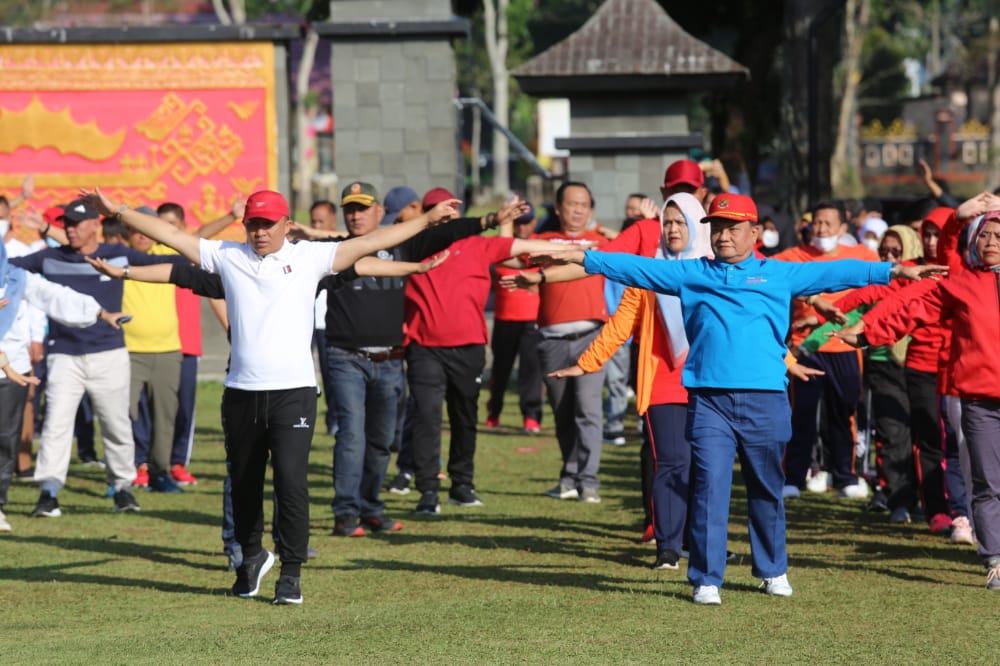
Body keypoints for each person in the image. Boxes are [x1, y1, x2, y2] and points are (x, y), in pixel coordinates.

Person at [537, 192, 942, 605]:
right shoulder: (693, 273)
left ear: (754, 232)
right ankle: (706, 578)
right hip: (709, 401)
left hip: (765, 400)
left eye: (732, 228)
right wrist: (584, 258)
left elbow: (835, 273)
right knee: (709, 488)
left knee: (766, 488)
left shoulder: (778, 273)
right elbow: (635, 267)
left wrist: (895, 271)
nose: (723, 236)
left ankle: (772, 569)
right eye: (716, 228)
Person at [80, 185, 460, 605]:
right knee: (243, 485)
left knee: (291, 484)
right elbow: (171, 237)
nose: (259, 232)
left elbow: (372, 242)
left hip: (293, 394)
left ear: (285, 224)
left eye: (267, 224)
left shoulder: (310, 257)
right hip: (241, 393)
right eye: (253, 224)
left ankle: (291, 573)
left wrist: (427, 220)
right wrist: (118, 210)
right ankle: (252, 557)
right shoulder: (228, 256)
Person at [834, 199, 1000, 590]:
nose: (992, 242)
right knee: (988, 483)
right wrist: (868, 335)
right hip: (979, 402)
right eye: (986, 235)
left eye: (999, 236)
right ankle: (995, 558)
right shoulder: (963, 284)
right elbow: (913, 310)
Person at [549, 192, 712, 569]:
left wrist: (784, 360)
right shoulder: (648, 272)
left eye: (680, 222)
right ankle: (668, 547)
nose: (672, 229)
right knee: (671, 461)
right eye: (667, 223)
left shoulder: (715, 271)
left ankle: (701, 542)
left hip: (709, 380)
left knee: (706, 465)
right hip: (662, 382)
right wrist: (587, 363)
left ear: (696, 225)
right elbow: (620, 325)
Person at [10, 199, 187, 517]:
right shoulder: (48, 258)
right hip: (64, 355)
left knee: (116, 423)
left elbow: (170, 262)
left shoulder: (118, 255)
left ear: (95, 224)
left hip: (109, 354)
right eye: (66, 223)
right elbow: (8, 268)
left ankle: (122, 488)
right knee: (56, 425)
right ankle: (49, 492)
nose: (70, 229)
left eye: (77, 223)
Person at [405, 197, 569, 515]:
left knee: (464, 418)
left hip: (469, 347)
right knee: (426, 418)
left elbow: (522, 247)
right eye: (435, 211)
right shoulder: (414, 245)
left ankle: (462, 485)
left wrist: (581, 253)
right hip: (424, 348)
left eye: (449, 212)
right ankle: (427, 491)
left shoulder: (478, 245)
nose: (443, 218)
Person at [1, 241, 124, 531]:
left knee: (4, 440)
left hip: (12, 370)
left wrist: (99, 312)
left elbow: (55, 295)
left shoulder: (16, 277)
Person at [775, 201, 880, 499]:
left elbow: (881, 283)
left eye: (827, 224)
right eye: (816, 223)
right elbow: (761, 266)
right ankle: (793, 478)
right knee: (801, 414)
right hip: (805, 349)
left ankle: (845, 476)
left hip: (845, 346)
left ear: (842, 228)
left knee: (844, 413)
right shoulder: (793, 257)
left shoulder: (861, 256)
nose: (820, 229)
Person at [485, 201, 543, 433]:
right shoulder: (501, 245)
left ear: (534, 222)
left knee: (531, 371)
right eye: (518, 223)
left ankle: (531, 415)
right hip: (505, 318)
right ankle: (494, 410)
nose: (522, 227)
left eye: (526, 222)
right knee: (501, 370)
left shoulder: (539, 245)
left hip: (532, 319)